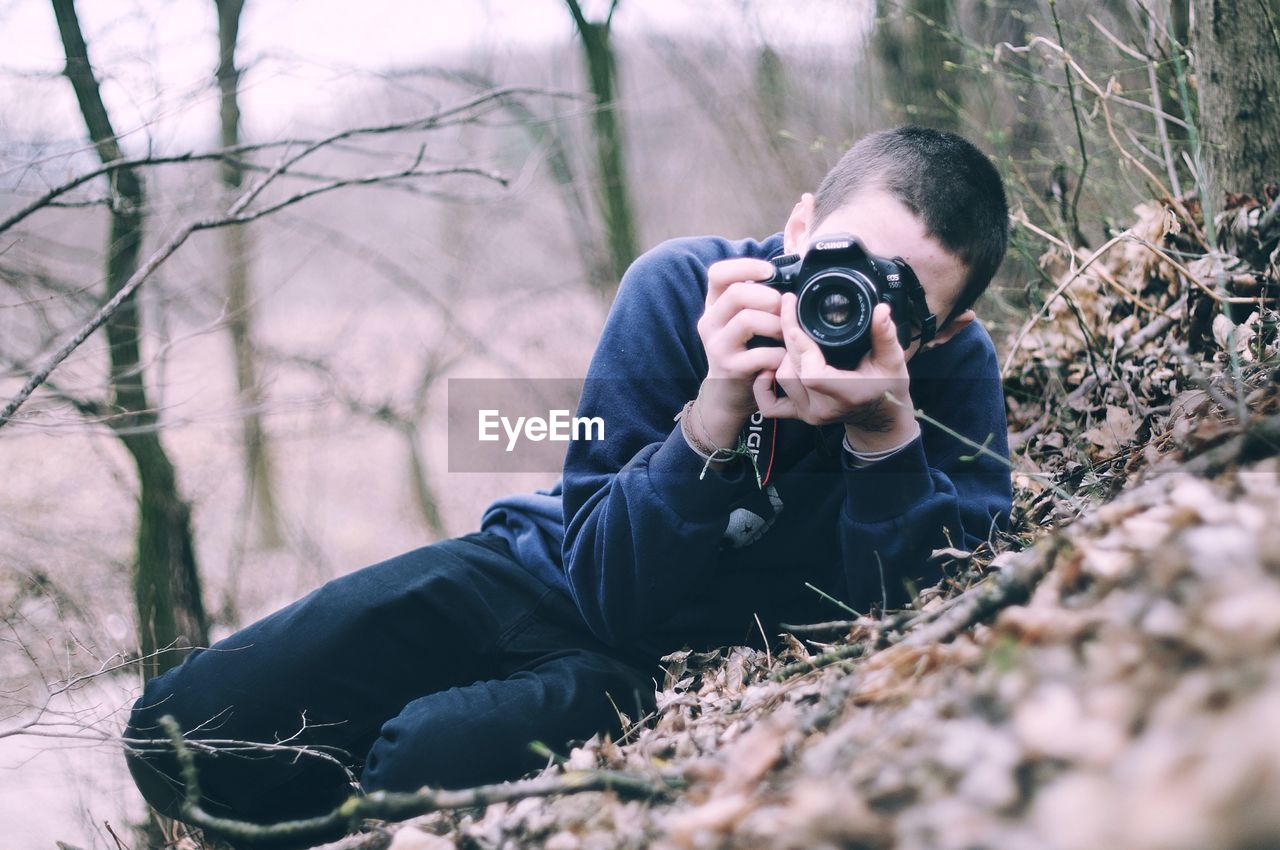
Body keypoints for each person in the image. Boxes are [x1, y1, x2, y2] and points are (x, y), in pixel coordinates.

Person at [122, 125, 1012, 839]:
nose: (849, 303)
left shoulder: (946, 376)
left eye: (898, 298)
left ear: (945, 327)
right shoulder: (685, 290)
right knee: (178, 735)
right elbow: (600, 576)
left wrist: (882, 435)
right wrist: (712, 414)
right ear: (800, 225)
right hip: (541, 565)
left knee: (415, 766)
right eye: (839, 257)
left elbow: (921, 620)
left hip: (637, 664)